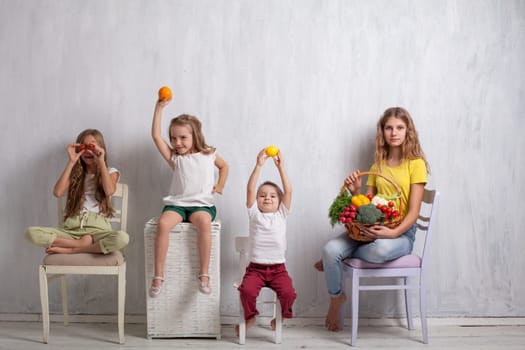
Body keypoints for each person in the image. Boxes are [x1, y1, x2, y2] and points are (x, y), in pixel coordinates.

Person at [315, 107, 430, 332]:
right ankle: (336, 298)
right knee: (330, 249)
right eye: (389, 128)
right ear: (382, 131)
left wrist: (393, 233)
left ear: (408, 131)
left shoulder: (416, 164)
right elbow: (367, 205)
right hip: (368, 231)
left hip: (401, 234)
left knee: (379, 251)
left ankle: (337, 261)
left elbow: (414, 212)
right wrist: (356, 190)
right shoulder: (377, 165)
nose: (394, 132)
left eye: (399, 127)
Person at [149, 96, 229, 297]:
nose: (177, 142)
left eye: (183, 137)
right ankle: (158, 275)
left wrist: (219, 184)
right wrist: (159, 109)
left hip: (201, 204)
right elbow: (157, 137)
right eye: (174, 138)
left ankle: (204, 273)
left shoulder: (209, 154)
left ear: (195, 136)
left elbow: (224, 166)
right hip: (177, 205)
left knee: (204, 222)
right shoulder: (176, 158)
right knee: (163, 224)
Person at [25, 129, 129, 255]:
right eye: (84, 147)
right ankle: (80, 244)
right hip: (72, 230)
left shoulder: (110, 171)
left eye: (92, 146)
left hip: (99, 230)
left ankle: (74, 250)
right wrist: (72, 161)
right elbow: (57, 192)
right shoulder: (76, 175)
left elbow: (109, 191)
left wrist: (101, 160)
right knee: (31, 233)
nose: (88, 151)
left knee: (122, 238)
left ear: (100, 148)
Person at [236, 148, 297, 336]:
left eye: (272, 195)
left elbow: (289, 190)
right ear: (257, 200)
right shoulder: (254, 214)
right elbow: (250, 189)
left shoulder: (282, 214)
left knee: (289, 293)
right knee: (245, 291)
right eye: (262, 195)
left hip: (278, 269)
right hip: (256, 269)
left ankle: (280, 317)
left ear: (280, 201)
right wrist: (258, 165)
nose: (267, 198)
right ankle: (251, 316)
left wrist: (281, 168)